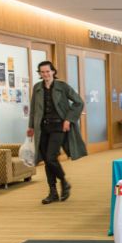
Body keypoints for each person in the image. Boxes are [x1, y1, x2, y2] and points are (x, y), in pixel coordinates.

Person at [28, 61, 87, 203]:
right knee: (48, 161)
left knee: (50, 157)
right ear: (40, 74)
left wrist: (69, 119)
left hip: (59, 127)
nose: (45, 74)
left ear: (53, 71)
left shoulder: (62, 86)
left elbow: (79, 102)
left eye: (47, 71)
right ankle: (53, 192)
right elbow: (33, 110)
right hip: (42, 129)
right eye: (42, 72)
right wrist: (31, 126)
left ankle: (64, 182)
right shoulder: (37, 88)